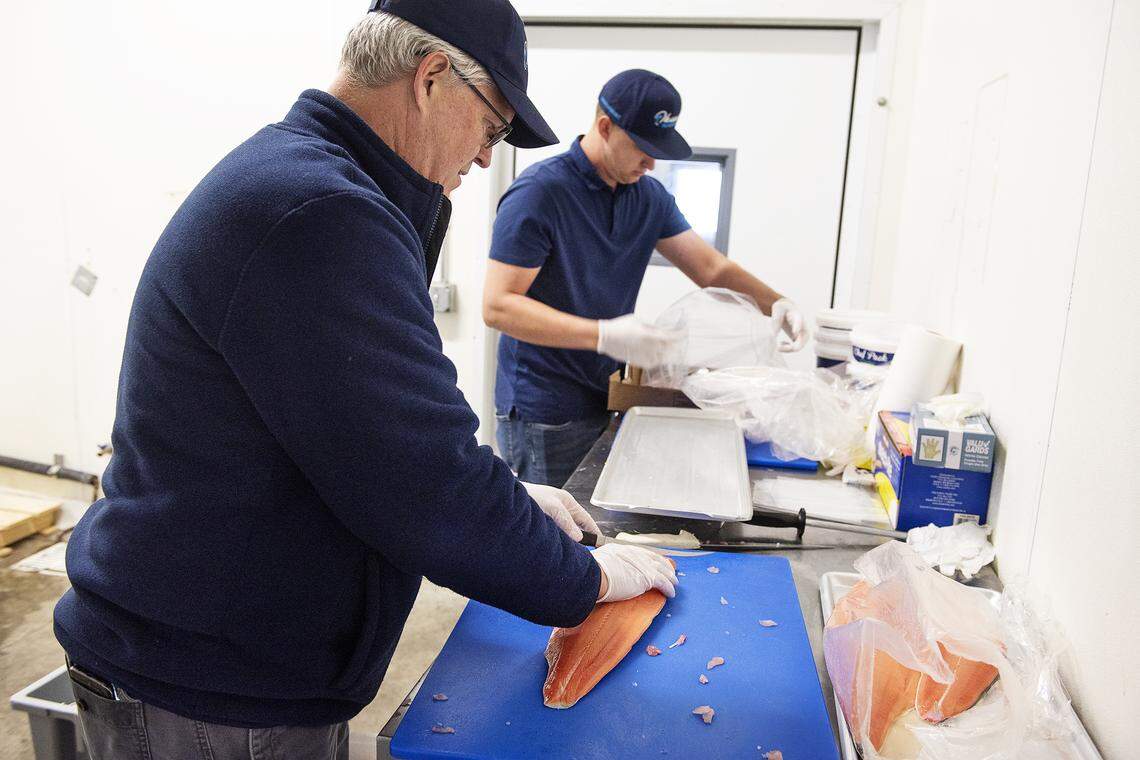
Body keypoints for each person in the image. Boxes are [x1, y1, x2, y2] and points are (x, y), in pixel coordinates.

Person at [53, 3, 676, 758]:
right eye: (491, 128)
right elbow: (423, 481)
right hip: (208, 684)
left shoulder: (318, 186)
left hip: (229, 659)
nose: (486, 158)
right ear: (432, 78)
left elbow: (371, 433)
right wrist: (587, 580)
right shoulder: (318, 213)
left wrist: (508, 500)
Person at [484, 69, 808, 487]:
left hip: (607, 397)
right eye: (642, 147)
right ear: (605, 127)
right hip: (545, 409)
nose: (652, 163)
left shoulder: (648, 197)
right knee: (554, 535)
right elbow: (498, 305)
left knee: (593, 529)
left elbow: (711, 269)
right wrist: (603, 335)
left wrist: (777, 303)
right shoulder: (541, 194)